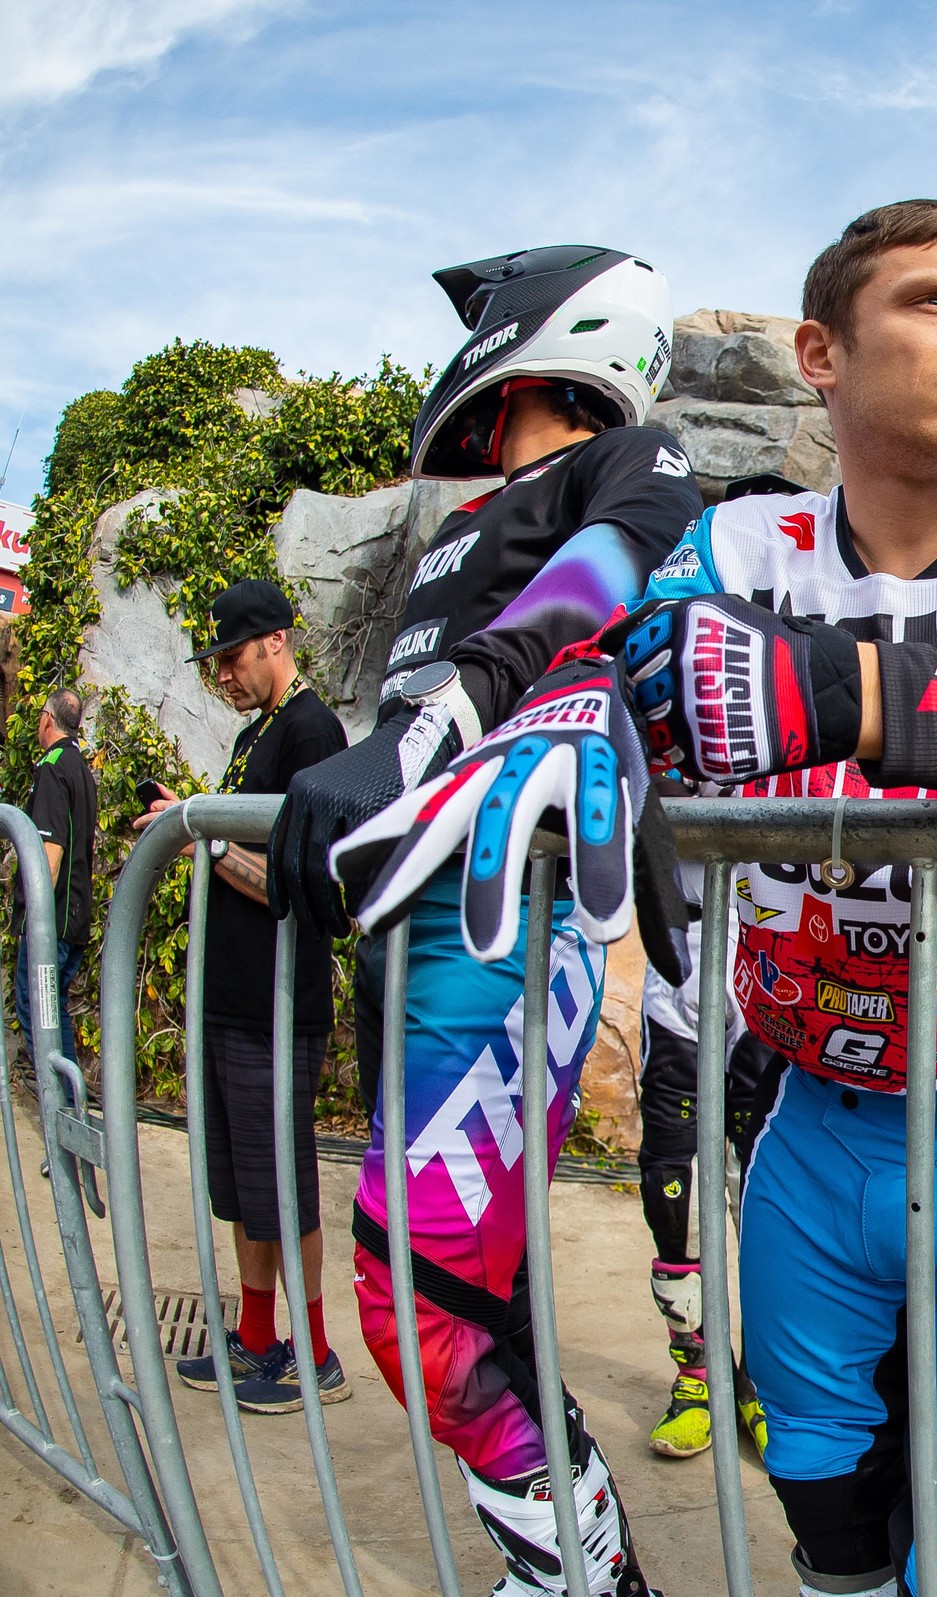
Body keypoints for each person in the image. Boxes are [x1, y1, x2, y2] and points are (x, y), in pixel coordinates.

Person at [333, 198, 937, 1597]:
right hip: (804, 1132)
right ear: (820, 352)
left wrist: (854, 695)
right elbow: (615, 662)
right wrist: (576, 694)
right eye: (933, 300)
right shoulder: (734, 548)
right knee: (830, 1543)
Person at [265, 245, 699, 1597]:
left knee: (420, 1304)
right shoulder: (463, 514)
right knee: (473, 1295)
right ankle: (557, 1561)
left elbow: (600, 589)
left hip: (505, 917)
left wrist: (438, 726)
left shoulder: (626, 462)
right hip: (410, 918)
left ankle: (589, 1571)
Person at [139, 581, 351, 1412]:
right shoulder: (254, 733)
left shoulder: (312, 732)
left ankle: (315, 1354)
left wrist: (207, 835)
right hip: (232, 997)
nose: (221, 673)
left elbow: (305, 882)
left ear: (274, 641)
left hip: (276, 1003)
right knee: (240, 1184)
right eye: (215, 661)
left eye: (229, 655)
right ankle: (257, 1339)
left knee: (284, 1182)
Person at [636, 854, 781, 1460]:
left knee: (768, 1190)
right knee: (669, 1184)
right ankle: (697, 1376)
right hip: (678, 958)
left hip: (768, 953)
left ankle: (762, 1382)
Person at [17, 687, 95, 1078]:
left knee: (36, 1007)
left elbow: (51, 852)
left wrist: (35, 924)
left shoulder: (51, 766)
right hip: (76, 914)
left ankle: (61, 1105)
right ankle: (70, 1105)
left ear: (47, 718)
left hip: (55, 919)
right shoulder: (79, 766)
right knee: (52, 1008)